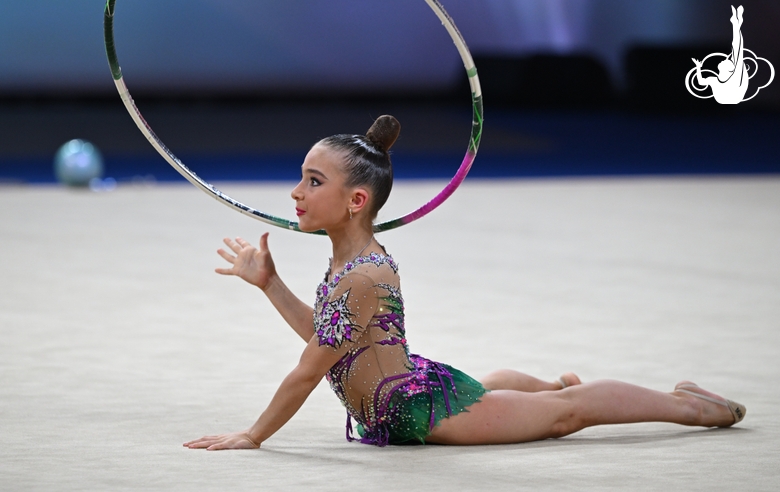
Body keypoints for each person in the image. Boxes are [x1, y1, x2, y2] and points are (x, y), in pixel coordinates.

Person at [184, 115, 745, 450]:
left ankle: (692, 407)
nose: (295, 192)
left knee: (567, 415)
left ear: (356, 200)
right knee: (491, 389)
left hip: (424, 412)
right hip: (407, 390)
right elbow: (332, 341)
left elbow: (310, 369)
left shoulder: (365, 274)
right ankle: (548, 384)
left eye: (312, 181)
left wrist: (253, 435)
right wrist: (270, 284)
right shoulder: (345, 263)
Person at [692, 5, 748, 104]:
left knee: (737, 50)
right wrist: (698, 67)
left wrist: (736, 26)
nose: (725, 59)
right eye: (728, 60)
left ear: (729, 69)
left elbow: (737, 49)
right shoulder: (714, 80)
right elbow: (701, 82)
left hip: (733, 96)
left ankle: (736, 23)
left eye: (728, 61)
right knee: (736, 51)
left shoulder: (733, 78)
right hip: (726, 98)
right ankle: (736, 23)